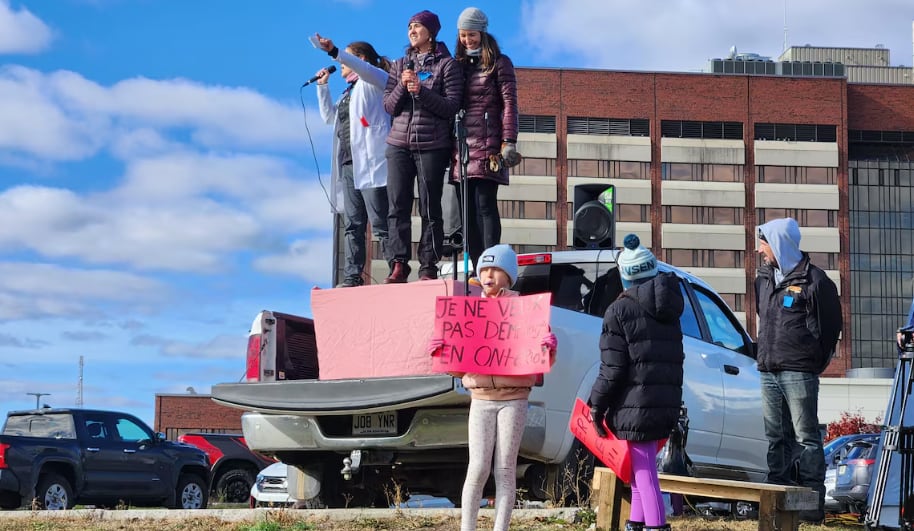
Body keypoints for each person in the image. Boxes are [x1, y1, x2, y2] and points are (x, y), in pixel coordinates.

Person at [428, 244, 557, 531]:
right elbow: (459, 367)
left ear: (508, 275)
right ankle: (467, 528)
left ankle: (501, 528)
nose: (488, 275)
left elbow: (539, 359)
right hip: (481, 398)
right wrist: (442, 353)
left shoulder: (525, 311)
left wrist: (548, 348)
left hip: (515, 399)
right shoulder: (470, 311)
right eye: (484, 269)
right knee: (477, 467)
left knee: (505, 468)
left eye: (495, 269)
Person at [588, 234, 684, 531]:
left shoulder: (619, 311)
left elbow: (612, 368)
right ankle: (636, 523)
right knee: (640, 470)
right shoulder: (670, 310)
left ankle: (656, 526)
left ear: (624, 276)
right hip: (663, 399)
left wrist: (596, 405)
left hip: (635, 403)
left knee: (645, 474)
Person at [755, 217, 842, 524]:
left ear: (780, 244)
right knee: (775, 435)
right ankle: (776, 498)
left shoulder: (816, 281)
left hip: (799, 371)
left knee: (806, 437)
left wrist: (813, 363)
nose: (761, 252)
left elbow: (831, 328)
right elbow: (762, 317)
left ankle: (811, 505)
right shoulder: (763, 279)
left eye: (764, 244)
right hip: (768, 369)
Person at [383, 10, 464, 283]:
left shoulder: (448, 66)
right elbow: (389, 106)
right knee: (397, 206)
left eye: (417, 26)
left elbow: (451, 107)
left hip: (432, 145)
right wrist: (404, 88)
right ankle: (398, 263)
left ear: (431, 32)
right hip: (398, 144)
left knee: (430, 208)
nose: (412, 31)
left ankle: (428, 266)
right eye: (409, 27)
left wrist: (422, 91)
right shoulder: (398, 64)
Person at [314, 35, 394, 287]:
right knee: (353, 224)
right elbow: (329, 117)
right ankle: (352, 276)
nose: (342, 66)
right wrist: (322, 87)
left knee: (380, 221)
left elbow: (364, 69)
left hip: (371, 162)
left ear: (359, 59)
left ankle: (395, 268)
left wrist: (334, 51)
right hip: (349, 164)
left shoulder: (374, 80)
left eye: (347, 59)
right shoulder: (348, 92)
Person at [449, 7, 519, 277]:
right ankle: (478, 267)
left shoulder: (499, 63)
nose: (468, 40)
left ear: (483, 32)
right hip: (462, 147)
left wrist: (508, 140)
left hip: (489, 144)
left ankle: (492, 263)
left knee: (485, 205)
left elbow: (510, 103)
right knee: (466, 214)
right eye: (463, 35)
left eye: (472, 34)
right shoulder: (457, 65)